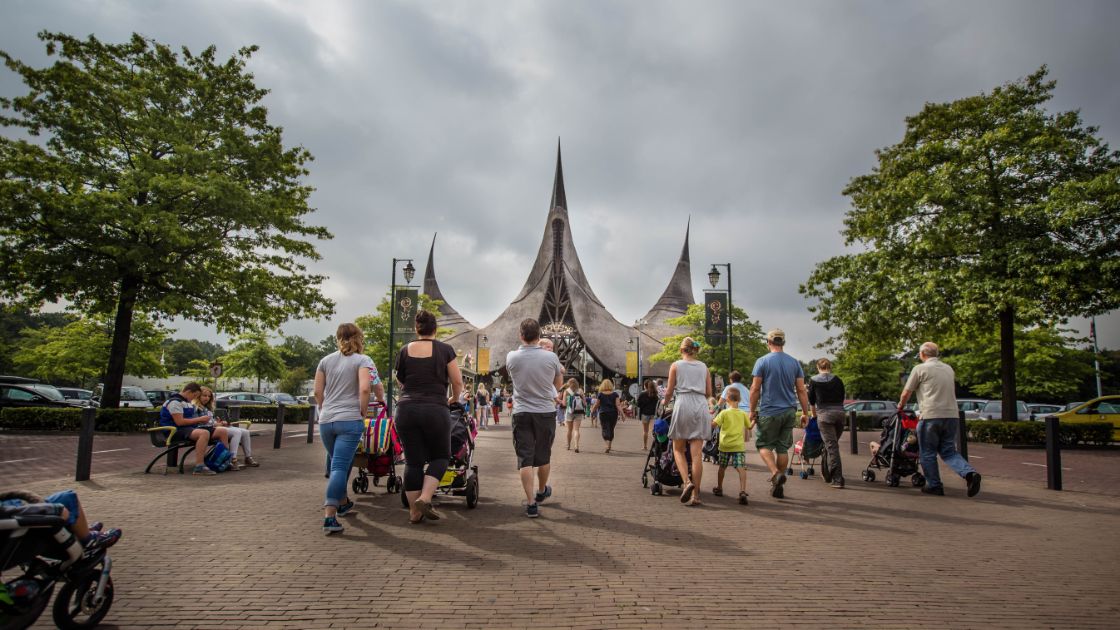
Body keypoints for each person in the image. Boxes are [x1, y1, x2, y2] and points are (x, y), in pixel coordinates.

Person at [395, 310, 464, 523]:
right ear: (435, 329)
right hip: (435, 408)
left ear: (417, 329)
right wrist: (453, 398)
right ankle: (425, 498)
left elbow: (400, 381)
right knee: (441, 456)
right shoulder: (445, 350)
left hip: (406, 409)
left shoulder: (405, 350)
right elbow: (457, 381)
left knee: (413, 462)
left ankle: (414, 514)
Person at [315, 322, 384, 534]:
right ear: (359, 338)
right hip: (350, 420)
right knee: (339, 467)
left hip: (326, 421)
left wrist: (324, 409)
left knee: (337, 462)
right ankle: (329, 516)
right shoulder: (364, 360)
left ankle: (343, 501)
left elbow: (318, 392)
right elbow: (367, 388)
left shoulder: (325, 361)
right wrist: (363, 412)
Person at [897, 342, 982, 497]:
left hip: (930, 415)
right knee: (949, 451)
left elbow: (906, 392)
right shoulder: (948, 368)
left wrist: (900, 406)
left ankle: (934, 485)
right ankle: (969, 473)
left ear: (922, 354)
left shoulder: (919, 369)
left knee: (927, 453)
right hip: (951, 416)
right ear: (937, 354)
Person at [506, 318, 564, 518]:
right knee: (543, 455)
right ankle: (541, 491)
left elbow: (514, 378)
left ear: (520, 335)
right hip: (545, 412)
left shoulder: (511, 357)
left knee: (525, 459)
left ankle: (531, 503)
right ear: (539, 336)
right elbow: (557, 383)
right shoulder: (551, 358)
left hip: (521, 412)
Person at [749, 329, 811, 499]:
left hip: (769, 411)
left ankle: (776, 473)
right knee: (783, 448)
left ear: (768, 342)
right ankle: (779, 485)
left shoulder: (762, 361)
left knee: (764, 446)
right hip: (790, 411)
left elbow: (755, 389)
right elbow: (801, 389)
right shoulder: (794, 363)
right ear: (783, 343)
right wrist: (805, 413)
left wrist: (752, 410)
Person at [663, 337, 712, 507]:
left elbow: (669, 391)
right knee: (697, 454)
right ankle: (696, 496)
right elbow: (709, 391)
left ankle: (686, 482)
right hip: (700, 405)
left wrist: (664, 402)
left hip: (683, 403)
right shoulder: (704, 367)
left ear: (681, 350)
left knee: (678, 449)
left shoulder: (676, 365)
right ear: (695, 350)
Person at [1, 490, 121, 550]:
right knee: (68, 497)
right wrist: (56, 510)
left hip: (12, 511)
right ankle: (88, 539)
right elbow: (60, 511)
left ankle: (82, 529)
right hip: (18, 521)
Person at [158, 382, 230, 476]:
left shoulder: (186, 402)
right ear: (188, 392)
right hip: (174, 430)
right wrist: (200, 419)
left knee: (222, 431)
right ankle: (199, 466)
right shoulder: (175, 402)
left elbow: (189, 420)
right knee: (203, 433)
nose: (194, 398)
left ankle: (224, 461)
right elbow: (179, 422)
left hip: (188, 429)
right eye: (194, 395)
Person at [196, 386, 258, 470]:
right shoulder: (197, 407)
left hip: (215, 428)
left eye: (209, 396)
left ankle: (248, 457)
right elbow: (201, 423)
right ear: (198, 396)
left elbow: (210, 421)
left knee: (245, 432)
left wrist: (219, 422)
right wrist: (217, 424)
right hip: (208, 430)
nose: (207, 398)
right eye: (204, 395)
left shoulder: (207, 408)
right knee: (237, 432)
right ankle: (232, 459)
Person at [807, 358, 846, 488]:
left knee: (831, 446)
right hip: (840, 414)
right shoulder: (838, 380)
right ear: (830, 366)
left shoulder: (813, 381)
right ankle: (826, 473)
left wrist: (814, 416)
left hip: (824, 416)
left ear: (818, 367)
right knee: (830, 445)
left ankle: (837, 479)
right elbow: (842, 397)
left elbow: (811, 401)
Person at [711, 387, 752, 505]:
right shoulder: (743, 414)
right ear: (739, 399)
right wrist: (754, 421)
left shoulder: (724, 413)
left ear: (727, 399)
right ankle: (743, 491)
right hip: (738, 446)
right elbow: (749, 427)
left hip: (725, 445)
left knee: (722, 467)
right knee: (741, 468)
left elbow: (713, 425)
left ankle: (719, 488)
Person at [590, 379, 624, 453]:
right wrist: (622, 414)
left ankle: (607, 445)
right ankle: (609, 445)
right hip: (613, 413)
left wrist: (592, 411)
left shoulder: (600, 394)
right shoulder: (615, 394)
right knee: (611, 429)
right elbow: (618, 405)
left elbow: (597, 404)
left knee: (605, 428)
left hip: (603, 413)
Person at [563, 378, 586, 452]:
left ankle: (568, 445)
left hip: (569, 412)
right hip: (578, 411)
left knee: (569, 430)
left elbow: (564, 404)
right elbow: (585, 403)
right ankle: (576, 446)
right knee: (576, 430)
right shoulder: (580, 391)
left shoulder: (566, 391)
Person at [636, 380, 659, 451]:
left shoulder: (642, 394)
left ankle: (645, 446)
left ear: (645, 386)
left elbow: (638, 404)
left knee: (645, 431)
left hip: (644, 414)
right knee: (653, 431)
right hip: (653, 414)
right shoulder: (655, 394)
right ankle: (655, 446)